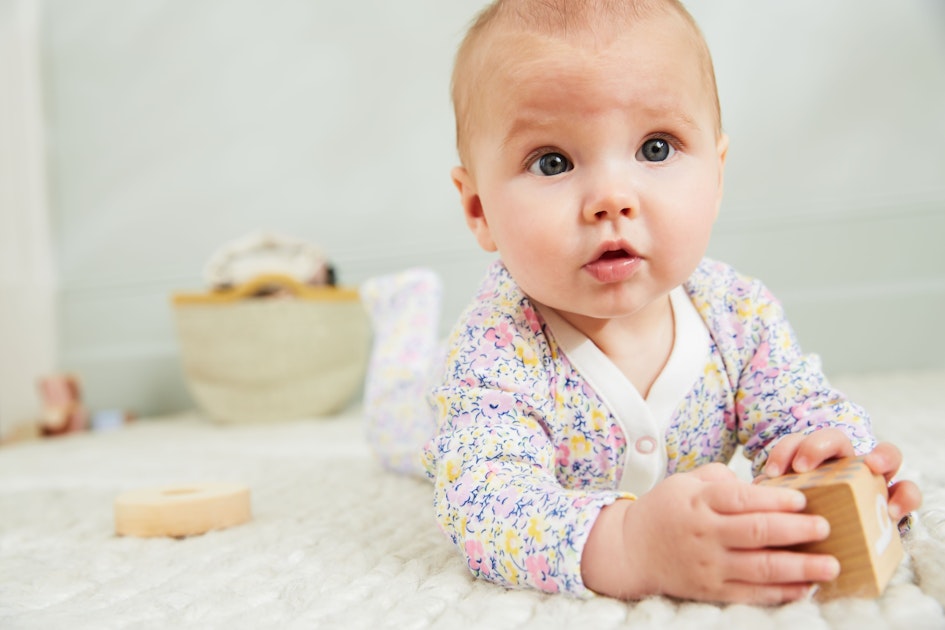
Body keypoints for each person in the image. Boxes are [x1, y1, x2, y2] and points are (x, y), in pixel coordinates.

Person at [360, 0, 922, 604]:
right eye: (553, 162)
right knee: (399, 425)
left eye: (656, 148)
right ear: (479, 211)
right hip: (438, 416)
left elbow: (796, 409)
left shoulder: (738, 314)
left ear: (718, 173)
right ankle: (404, 319)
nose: (611, 199)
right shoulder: (494, 349)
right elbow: (487, 506)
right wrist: (628, 544)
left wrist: (831, 457)